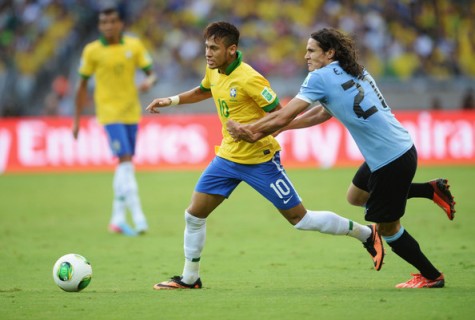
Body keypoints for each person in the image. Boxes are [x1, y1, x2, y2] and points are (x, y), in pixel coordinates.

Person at [146, 21, 384, 290]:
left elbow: (279, 115)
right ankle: (190, 278)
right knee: (194, 215)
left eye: (214, 48)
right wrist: (171, 100)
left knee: (301, 220)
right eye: (206, 47)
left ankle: (365, 233)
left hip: (261, 161)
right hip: (227, 159)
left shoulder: (250, 78)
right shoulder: (214, 70)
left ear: (232, 49)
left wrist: (254, 133)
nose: (208, 53)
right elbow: (204, 89)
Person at [227, 28, 456, 288]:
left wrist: (252, 131)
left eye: (311, 50)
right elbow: (323, 113)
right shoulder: (355, 69)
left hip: (389, 161)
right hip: (396, 149)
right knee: (356, 197)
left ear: (329, 53)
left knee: (388, 229)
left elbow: (283, 114)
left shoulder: (319, 78)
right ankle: (430, 190)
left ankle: (430, 275)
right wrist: (282, 128)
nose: (306, 56)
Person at [73, 7, 157, 236]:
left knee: (124, 165)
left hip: (131, 112)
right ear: (100, 26)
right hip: (109, 113)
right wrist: (77, 119)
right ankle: (139, 217)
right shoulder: (92, 51)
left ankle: (117, 218)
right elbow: (81, 86)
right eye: (103, 22)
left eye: (112, 21)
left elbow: (151, 72)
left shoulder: (134, 46)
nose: (108, 26)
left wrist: (149, 81)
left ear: (120, 24)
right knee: (126, 160)